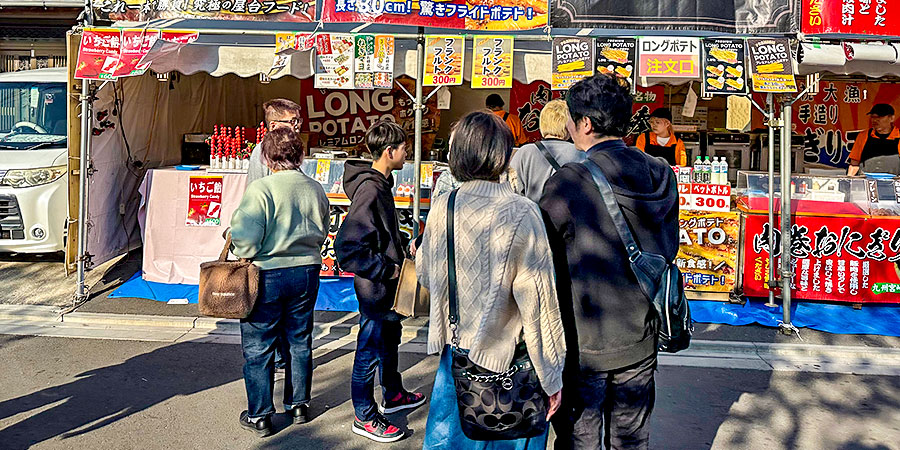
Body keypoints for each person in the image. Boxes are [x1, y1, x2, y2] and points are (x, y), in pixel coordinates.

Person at [540, 74, 679, 449]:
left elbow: (543, 259)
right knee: (631, 440)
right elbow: (669, 248)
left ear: (584, 123)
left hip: (584, 341)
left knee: (579, 441)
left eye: (571, 118)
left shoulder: (569, 180)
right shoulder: (660, 172)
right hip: (641, 334)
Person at [416, 111, 566, 449]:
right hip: (512, 362)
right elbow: (539, 303)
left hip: (457, 357)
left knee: (451, 440)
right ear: (503, 153)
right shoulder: (522, 211)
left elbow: (426, 274)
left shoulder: (444, 205)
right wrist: (551, 375)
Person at [229, 128, 330, 437]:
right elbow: (324, 229)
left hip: (268, 272)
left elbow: (245, 240)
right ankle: (298, 404)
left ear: (266, 157)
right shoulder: (314, 188)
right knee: (300, 339)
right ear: (300, 155)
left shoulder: (261, 189)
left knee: (259, 346)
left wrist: (241, 250)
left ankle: (260, 415)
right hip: (307, 271)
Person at [335, 119, 426, 443]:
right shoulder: (372, 188)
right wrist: (388, 269)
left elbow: (377, 235)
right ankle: (364, 414)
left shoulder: (378, 184)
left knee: (389, 340)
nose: (407, 154)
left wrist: (400, 244)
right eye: (403, 148)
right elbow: (347, 246)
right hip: (376, 288)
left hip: (385, 288)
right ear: (390, 151)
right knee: (369, 349)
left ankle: (393, 392)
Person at [509, 99, 585, 203]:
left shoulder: (525, 152)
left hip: (534, 216)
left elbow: (511, 190)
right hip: (569, 216)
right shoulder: (580, 153)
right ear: (569, 124)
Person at [247, 99, 304, 185]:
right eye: (292, 121)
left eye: (298, 121)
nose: (297, 126)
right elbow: (255, 186)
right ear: (273, 126)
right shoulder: (262, 150)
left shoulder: (295, 148)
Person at [847, 103, 899, 176]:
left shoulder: (898, 136)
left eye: (879, 117)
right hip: (865, 183)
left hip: (893, 183)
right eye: (873, 117)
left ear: (891, 118)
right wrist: (849, 181)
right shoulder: (863, 136)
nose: (875, 120)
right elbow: (854, 164)